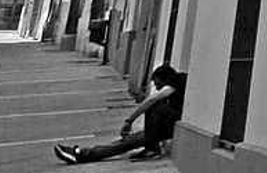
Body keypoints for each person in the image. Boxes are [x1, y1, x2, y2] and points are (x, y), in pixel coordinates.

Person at [53, 64, 185, 165]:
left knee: (152, 107)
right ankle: (81, 153)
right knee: (125, 142)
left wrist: (129, 121)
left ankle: (81, 155)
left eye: (157, 83)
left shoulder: (177, 80)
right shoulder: (176, 85)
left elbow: (152, 100)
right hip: (163, 128)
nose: (156, 87)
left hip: (169, 127)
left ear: (165, 79)